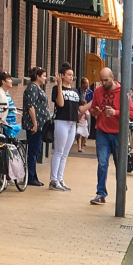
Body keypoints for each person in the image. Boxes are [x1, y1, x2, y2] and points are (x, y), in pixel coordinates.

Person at [88, 67, 133, 206]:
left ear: (112, 77)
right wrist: (95, 112)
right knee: (102, 162)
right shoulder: (98, 91)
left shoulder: (122, 92)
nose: (103, 83)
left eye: (106, 80)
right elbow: (93, 109)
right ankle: (100, 193)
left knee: (119, 163)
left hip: (118, 133)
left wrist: (115, 112)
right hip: (102, 132)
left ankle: (121, 187)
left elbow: (132, 113)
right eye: (102, 80)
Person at [48, 63, 80, 192]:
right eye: (69, 75)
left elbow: (79, 108)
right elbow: (60, 103)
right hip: (61, 121)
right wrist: (60, 84)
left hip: (73, 122)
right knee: (59, 151)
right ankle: (53, 180)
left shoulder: (75, 91)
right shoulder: (57, 88)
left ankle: (60, 179)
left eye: (72, 75)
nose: (71, 77)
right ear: (62, 75)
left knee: (65, 153)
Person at [22, 67, 50, 187]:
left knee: (36, 150)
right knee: (33, 151)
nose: (45, 78)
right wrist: (35, 123)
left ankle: (33, 175)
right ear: (37, 76)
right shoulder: (32, 88)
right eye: (43, 76)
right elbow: (31, 107)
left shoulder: (37, 88)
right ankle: (30, 176)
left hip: (41, 125)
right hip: (35, 126)